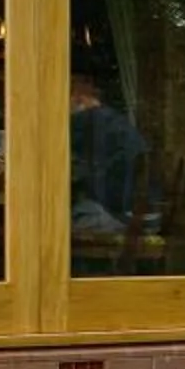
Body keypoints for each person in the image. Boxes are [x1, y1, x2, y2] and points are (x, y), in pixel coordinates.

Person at [68, 69, 146, 241]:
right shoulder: (117, 123)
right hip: (129, 214)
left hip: (107, 215)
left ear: (78, 98)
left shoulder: (86, 123)